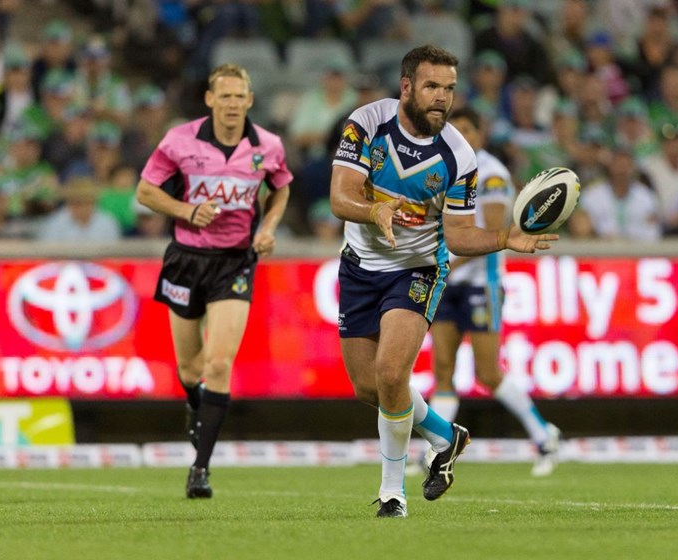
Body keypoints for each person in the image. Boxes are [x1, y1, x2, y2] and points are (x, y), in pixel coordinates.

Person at [329, 45, 559, 518]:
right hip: (359, 266)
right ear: (407, 86)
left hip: (417, 270)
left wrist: (504, 238)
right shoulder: (366, 124)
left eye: (449, 89)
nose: (441, 98)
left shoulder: (459, 156)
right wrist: (375, 209)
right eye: (432, 86)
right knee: (368, 387)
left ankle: (393, 493)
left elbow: (457, 235)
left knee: (393, 374)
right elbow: (339, 197)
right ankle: (445, 435)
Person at [136, 63, 292, 499]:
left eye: (238, 96)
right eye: (223, 96)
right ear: (209, 99)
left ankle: (200, 468)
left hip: (235, 262)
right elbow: (145, 191)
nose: (231, 104)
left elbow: (281, 187)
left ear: (250, 100)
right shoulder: (179, 140)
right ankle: (194, 404)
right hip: (187, 259)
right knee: (190, 368)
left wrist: (269, 226)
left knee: (219, 363)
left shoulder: (268, 146)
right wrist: (186, 211)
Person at [418, 106, 560, 479]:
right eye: (456, 129)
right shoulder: (445, 171)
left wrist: (444, 266)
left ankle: (544, 435)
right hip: (449, 283)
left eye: (468, 129)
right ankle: (435, 448)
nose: (462, 135)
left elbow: (494, 235)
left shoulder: (492, 174)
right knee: (443, 371)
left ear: (480, 134)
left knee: (487, 372)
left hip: (481, 283)